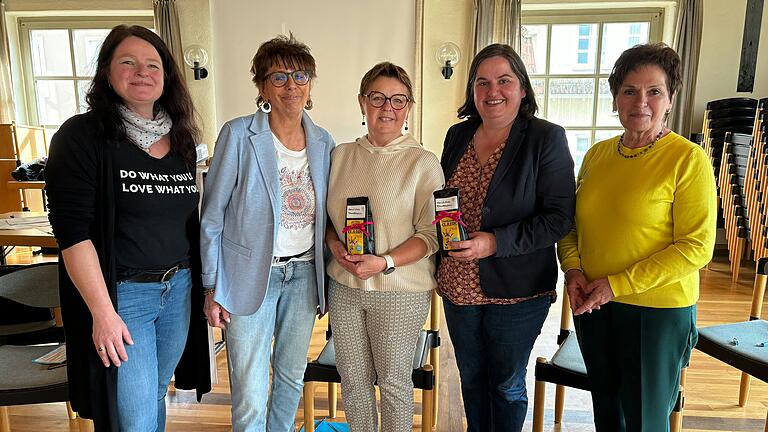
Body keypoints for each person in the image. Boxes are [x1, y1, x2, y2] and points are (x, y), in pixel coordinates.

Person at [45, 25, 211, 431]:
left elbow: (190, 223)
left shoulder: (182, 140)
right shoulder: (82, 136)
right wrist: (102, 313)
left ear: (167, 77)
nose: (143, 72)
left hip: (177, 291)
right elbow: (72, 232)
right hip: (123, 296)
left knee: (153, 393)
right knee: (132, 415)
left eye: (153, 65)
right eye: (128, 62)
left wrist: (206, 287)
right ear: (106, 71)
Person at [557, 43, 716, 431]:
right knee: (608, 415)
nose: (640, 101)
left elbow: (696, 247)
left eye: (654, 91)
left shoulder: (687, 158)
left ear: (670, 99)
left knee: (645, 420)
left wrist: (617, 284)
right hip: (594, 305)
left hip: (656, 314)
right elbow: (572, 224)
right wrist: (574, 270)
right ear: (615, 99)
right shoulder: (596, 155)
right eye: (629, 90)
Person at [437, 43, 575, 431]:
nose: (492, 90)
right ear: (472, 91)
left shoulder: (545, 138)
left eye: (504, 80)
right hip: (457, 284)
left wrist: (493, 242)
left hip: (518, 290)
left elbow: (558, 218)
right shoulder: (457, 135)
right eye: (482, 82)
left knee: (506, 384)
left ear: (522, 89)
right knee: (472, 378)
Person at [199, 34, 334, 432]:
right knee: (251, 390)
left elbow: (325, 218)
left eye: (300, 75)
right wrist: (212, 287)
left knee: (291, 378)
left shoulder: (324, 142)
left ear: (310, 84)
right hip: (248, 278)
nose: (291, 85)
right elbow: (212, 217)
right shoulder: (239, 135)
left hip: (304, 276)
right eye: (278, 77)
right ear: (261, 87)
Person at [325, 62, 444, 431]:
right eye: (377, 98)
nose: (387, 108)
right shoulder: (340, 156)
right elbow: (329, 222)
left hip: (400, 291)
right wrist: (335, 245)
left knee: (393, 385)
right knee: (354, 384)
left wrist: (386, 262)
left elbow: (431, 235)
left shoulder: (423, 163)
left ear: (408, 107)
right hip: (344, 287)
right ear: (362, 103)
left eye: (397, 99)